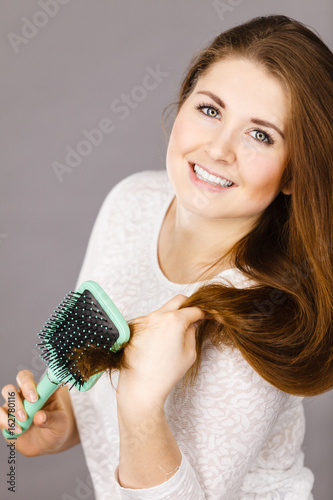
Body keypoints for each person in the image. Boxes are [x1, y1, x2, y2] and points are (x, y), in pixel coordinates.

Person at [1, 14, 333, 499]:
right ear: (182, 104)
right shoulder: (131, 202)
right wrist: (63, 420)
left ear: (292, 175)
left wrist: (140, 406)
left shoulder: (266, 316)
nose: (219, 148)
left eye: (260, 134)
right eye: (211, 110)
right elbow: (93, 377)